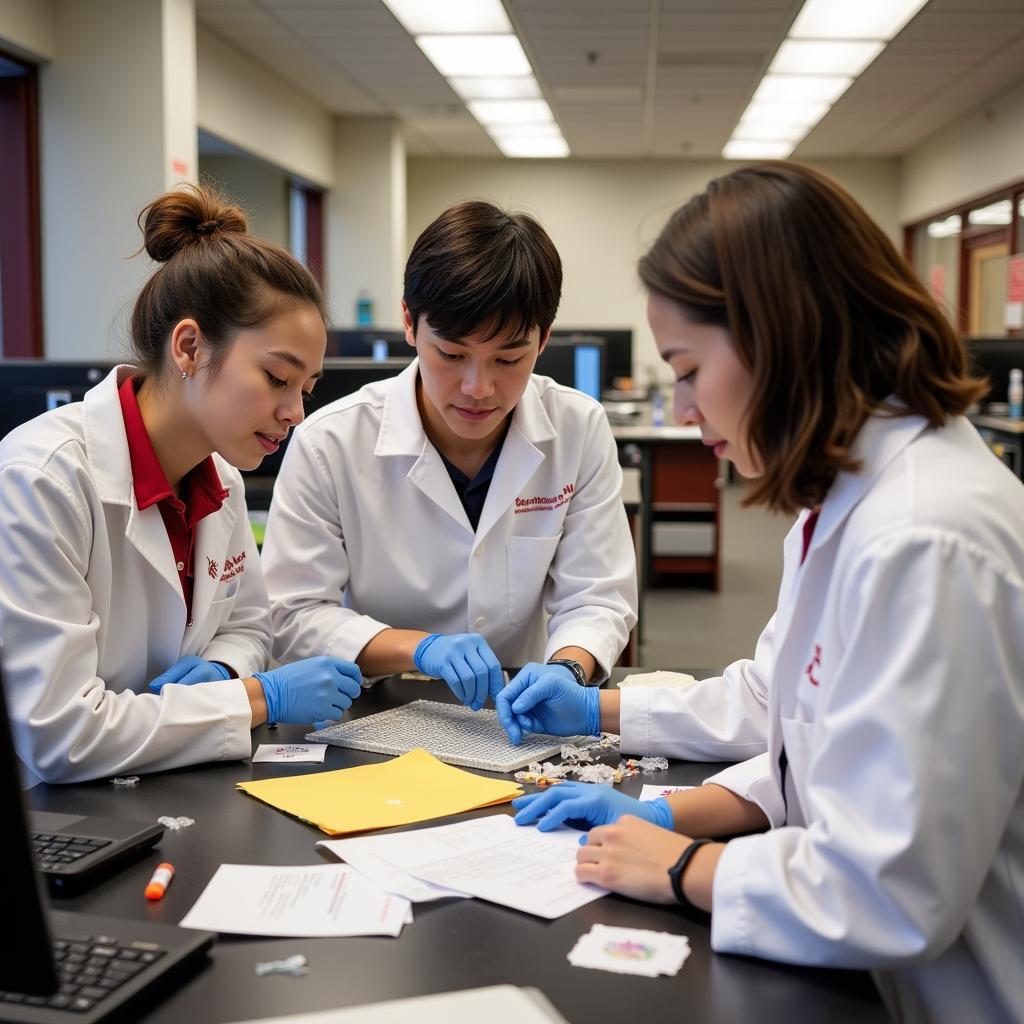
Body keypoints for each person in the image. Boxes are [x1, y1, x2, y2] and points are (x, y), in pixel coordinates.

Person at [500, 162, 1024, 1023]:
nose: (681, 406)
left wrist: (681, 868)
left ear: (779, 337)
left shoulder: (926, 536)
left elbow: (889, 891)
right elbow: (788, 713)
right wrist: (632, 760)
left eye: (688, 368)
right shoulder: (853, 497)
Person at [0, 184, 363, 786]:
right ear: (190, 347)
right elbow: (60, 732)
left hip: (159, 788)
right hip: (55, 820)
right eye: (277, 378)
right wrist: (256, 699)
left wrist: (221, 670)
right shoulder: (44, 479)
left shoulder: (218, 475)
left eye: (307, 388)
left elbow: (249, 627)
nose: (296, 413)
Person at [262, 201, 637, 710]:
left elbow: (596, 595)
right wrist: (420, 648)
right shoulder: (330, 442)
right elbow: (296, 612)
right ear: (410, 325)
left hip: (521, 712)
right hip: (375, 706)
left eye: (509, 358)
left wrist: (568, 668)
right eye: (452, 354)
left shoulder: (577, 428)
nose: (478, 387)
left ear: (544, 339)